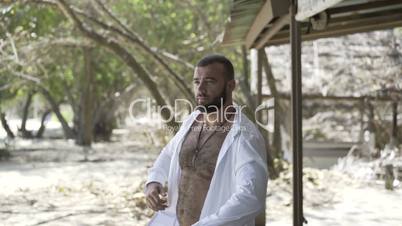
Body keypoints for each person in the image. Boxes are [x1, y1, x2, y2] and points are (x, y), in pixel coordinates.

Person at [144, 54, 268, 226]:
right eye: (196, 82)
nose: (200, 89)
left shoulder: (244, 135)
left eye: (210, 81)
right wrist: (154, 181)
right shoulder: (192, 120)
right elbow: (168, 154)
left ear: (230, 86)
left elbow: (251, 195)